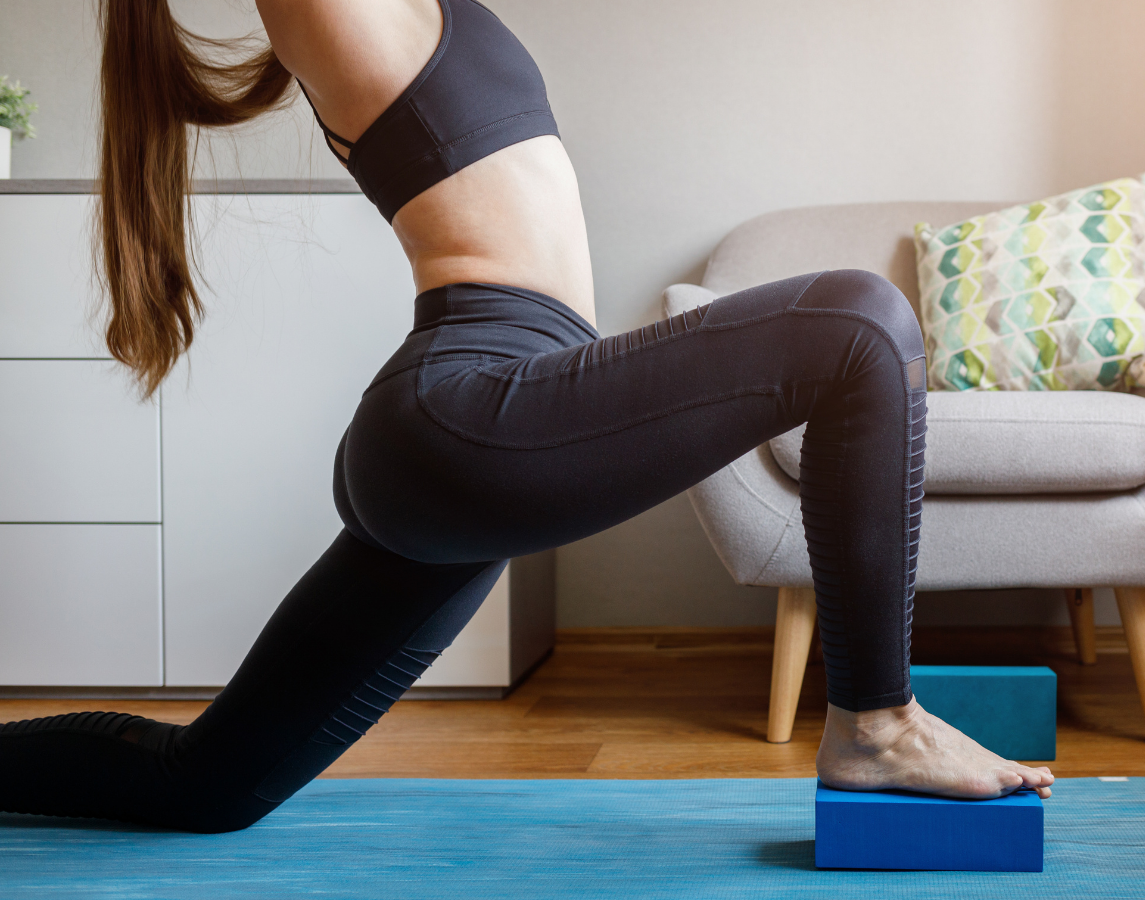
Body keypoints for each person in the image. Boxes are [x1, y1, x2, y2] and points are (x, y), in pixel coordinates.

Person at [0, 0, 1053, 834]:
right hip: (462, 418)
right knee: (860, 325)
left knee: (209, 785)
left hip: (466, 431)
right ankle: (876, 721)